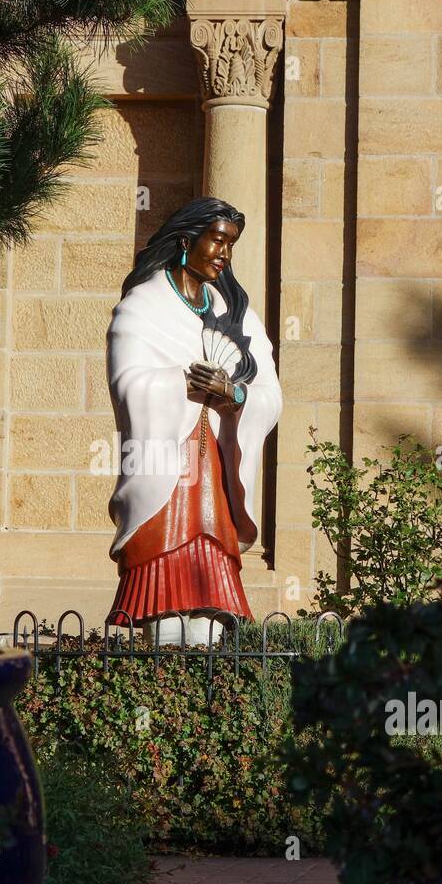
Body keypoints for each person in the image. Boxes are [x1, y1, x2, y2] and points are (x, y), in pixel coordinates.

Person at [105, 197, 282, 646]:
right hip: (167, 464)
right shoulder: (143, 306)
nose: (224, 253)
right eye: (218, 240)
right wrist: (184, 383)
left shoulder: (235, 315)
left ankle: (201, 686)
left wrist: (233, 394)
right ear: (187, 240)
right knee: (163, 614)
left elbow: (269, 394)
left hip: (217, 469)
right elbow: (128, 382)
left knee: (210, 612)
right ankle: (162, 677)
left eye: (231, 244)